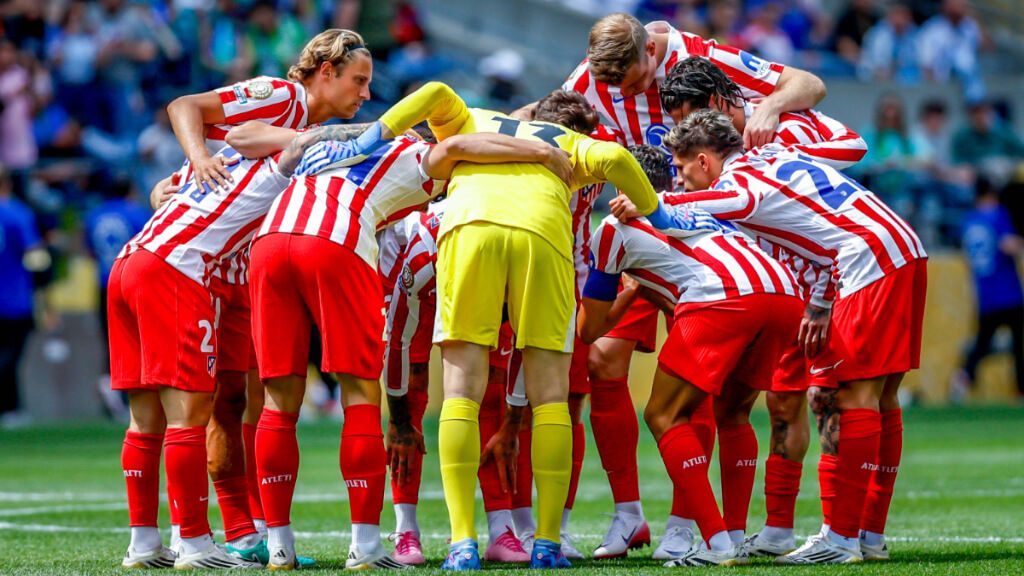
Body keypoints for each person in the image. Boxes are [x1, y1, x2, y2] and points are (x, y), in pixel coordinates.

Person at [234, 94, 583, 569]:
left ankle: (278, 545)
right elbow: (460, 145)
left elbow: (243, 136)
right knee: (365, 393)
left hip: (270, 242)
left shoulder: (326, 142)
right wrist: (543, 150)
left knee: (278, 400)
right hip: (340, 240)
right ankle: (371, 544)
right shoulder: (419, 156)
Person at [354, 80, 690, 569]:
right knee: (551, 397)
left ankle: (462, 543)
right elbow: (619, 160)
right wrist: (660, 216)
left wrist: (374, 134)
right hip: (543, 238)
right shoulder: (574, 143)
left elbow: (435, 91)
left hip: (468, 230)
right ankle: (547, 543)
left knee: (462, 393)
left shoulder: (477, 118)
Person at [557, 13, 827, 557]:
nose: (627, 95)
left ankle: (694, 528)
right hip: (677, 250)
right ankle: (630, 517)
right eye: (615, 88)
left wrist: (771, 107)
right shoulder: (587, 80)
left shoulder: (704, 58)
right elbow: (548, 117)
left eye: (633, 81)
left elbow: (810, 84)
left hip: (710, 239)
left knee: (700, 396)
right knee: (604, 362)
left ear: (652, 53)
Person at [634, 109, 926, 563]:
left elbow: (683, 210)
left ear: (705, 160)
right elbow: (837, 184)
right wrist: (822, 300)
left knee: (852, 396)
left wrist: (642, 200)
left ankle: (841, 539)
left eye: (682, 167)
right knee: (882, 396)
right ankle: (867, 535)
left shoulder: (739, 183)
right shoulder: (775, 153)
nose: (680, 179)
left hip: (865, 259)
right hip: (901, 247)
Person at [587, 145, 804, 567]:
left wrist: (630, 292)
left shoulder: (612, 228)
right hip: (782, 291)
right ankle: (734, 535)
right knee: (733, 412)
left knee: (663, 415)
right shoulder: (696, 206)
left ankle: (717, 545)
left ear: (619, 185)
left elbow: (589, 330)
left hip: (723, 295)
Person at [83, 176, 151, 419]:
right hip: (134, 280)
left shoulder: (93, 216)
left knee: (110, 339)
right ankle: (134, 394)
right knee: (140, 338)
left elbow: (89, 251)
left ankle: (110, 382)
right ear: (130, 190)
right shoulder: (138, 213)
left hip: (105, 282)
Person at [955, 178, 1024, 400]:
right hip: (1008, 291)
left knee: (982, 343)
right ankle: (1020, 389)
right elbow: (1008, 245)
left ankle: (963, 378)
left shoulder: (969, 220)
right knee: (1018, 344)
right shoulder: (998, 214)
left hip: (986, 291)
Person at [0, 169, 45, 427]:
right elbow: (35, 257)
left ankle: (11, 407)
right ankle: (10, 408)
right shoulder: (18, 213)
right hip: (14, 299)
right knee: (11, 356)